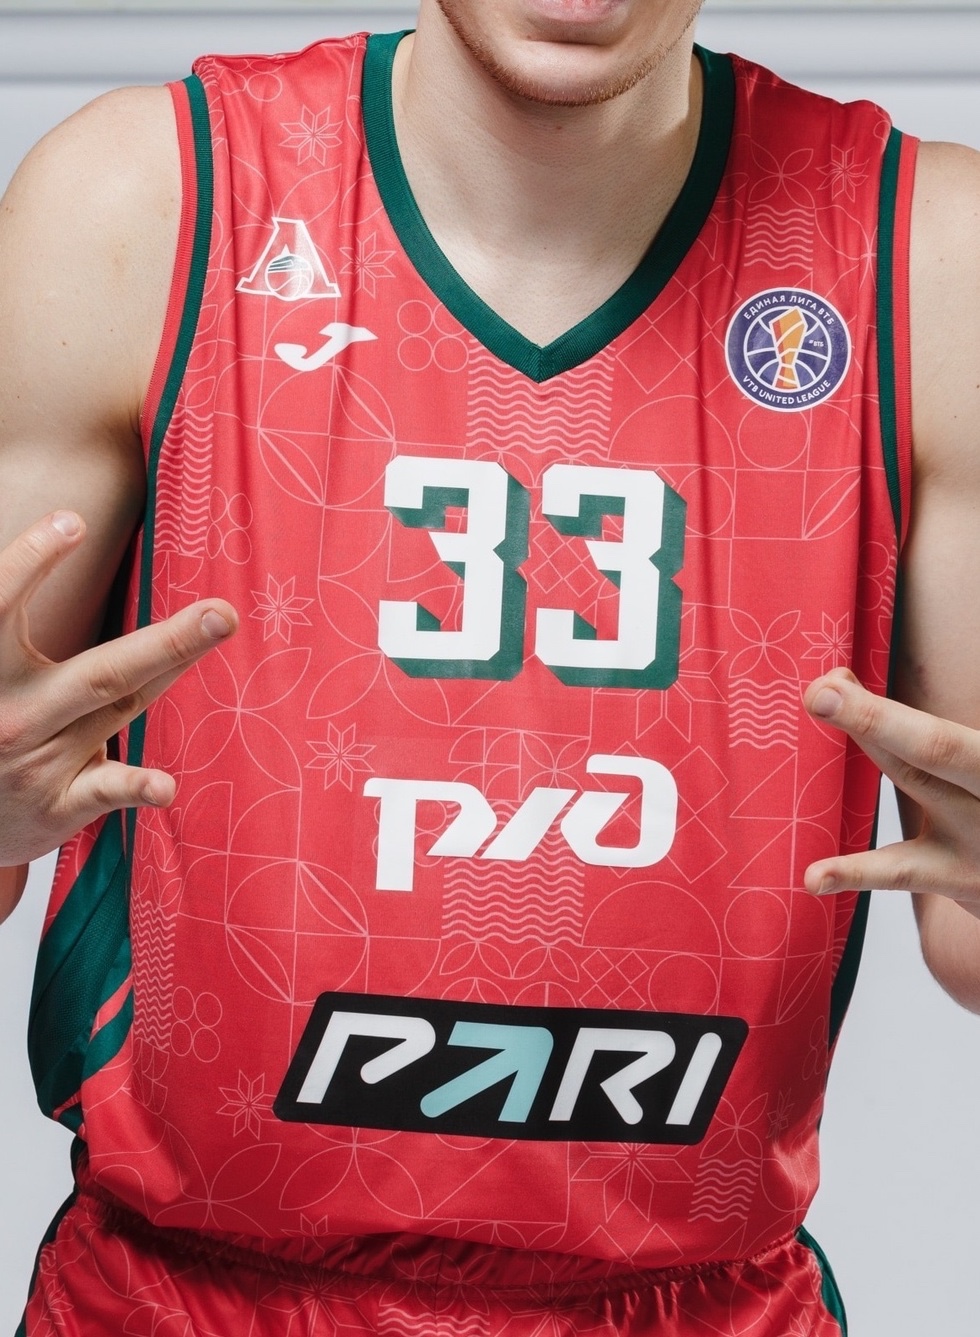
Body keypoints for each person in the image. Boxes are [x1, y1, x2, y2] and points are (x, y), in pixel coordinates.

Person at [2, 1, 980, 1332]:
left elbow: (967, 929)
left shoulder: (928, 255)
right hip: (187, 1301)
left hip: (689, 1303)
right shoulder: (145, 201)